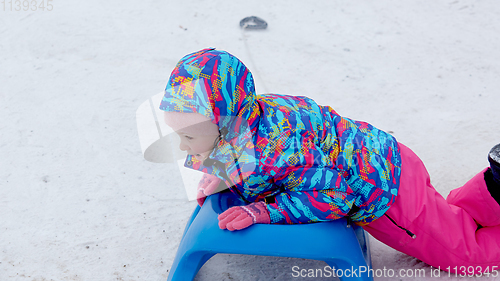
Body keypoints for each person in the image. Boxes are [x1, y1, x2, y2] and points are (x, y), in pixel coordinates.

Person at [160, 48, 500, 275]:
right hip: (388, 157)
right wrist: (222, 175)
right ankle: (494, 185)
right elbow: (250, 153)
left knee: (465, 254)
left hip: (384, 192)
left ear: (225, 125)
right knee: (451, 215)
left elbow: (335, 196)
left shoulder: (273, 153)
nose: (183, 144)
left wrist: (265, 211)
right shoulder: (252, 111)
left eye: (189, 137)